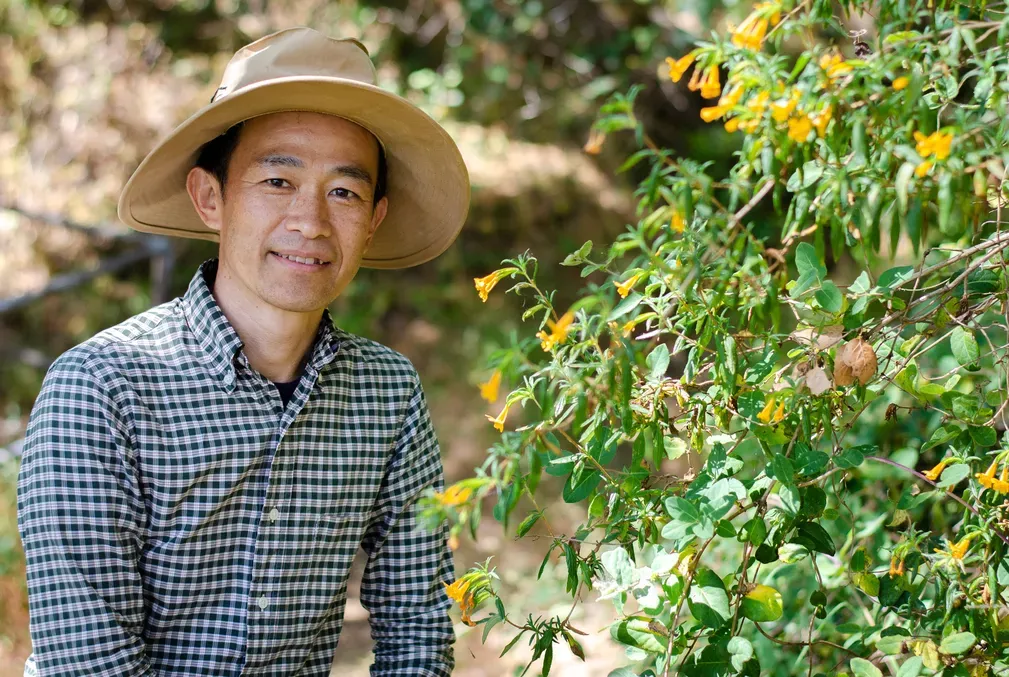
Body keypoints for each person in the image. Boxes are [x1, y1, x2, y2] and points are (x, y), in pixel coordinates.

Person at [16, 27, 470, 676]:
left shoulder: (386, 392)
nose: (310, 221)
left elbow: (417, 621)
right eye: (278, 180)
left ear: (372, 220)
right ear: (210, 197)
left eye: (343, 191)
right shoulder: (101, 389)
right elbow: (90, 663)